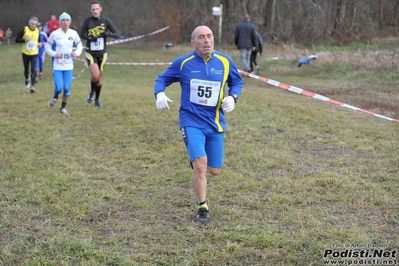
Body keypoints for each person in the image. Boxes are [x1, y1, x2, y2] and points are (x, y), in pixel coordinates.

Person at [154, 25, 243, 223]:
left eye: (209, 36)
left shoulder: (224, 61)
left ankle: (197, 161)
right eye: (201, 37)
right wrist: (160, 93)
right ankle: (202, 206)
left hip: (215, 122)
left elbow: (237, 82)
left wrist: (233, 97)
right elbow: (162, 79)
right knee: (201, 167)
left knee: (214, 170)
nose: (206, 41)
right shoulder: (183, 63)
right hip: (190, 119)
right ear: (193, 42)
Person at [80, 1, 120, 108]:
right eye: (93, 9)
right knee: (95, 75)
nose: (95, 11)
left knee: (99, 78)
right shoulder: (87, 21)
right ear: (91, 10)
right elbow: (81, 34)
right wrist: (90, 38)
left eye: (97, 9)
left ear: (100, 9)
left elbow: (117, 34)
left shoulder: (106, 21)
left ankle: (96, 99)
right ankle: (92, 92)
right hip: (91, 53)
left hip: (102, 53)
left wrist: (108, 33)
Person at [45, 12, 82, 115]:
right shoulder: (55, 34)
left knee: (66, 88)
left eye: (67, 20)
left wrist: (76, 53)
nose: (65, 22)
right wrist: (54, 54)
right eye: (63, 20)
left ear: (70, 22)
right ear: (60, 22)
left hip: (69, 66)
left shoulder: (73, 33)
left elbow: (79, 45)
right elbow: (47, 46)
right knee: (59, 88)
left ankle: (62, 108)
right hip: (58, 66)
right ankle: (55, 97)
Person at [15, 16, 41, 93]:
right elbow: (16, 39)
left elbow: (39, 40)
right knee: (26, 69)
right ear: (29, 23)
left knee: (33, 68)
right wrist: (24, 40)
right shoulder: (25, 29)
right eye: (32, 24)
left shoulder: (37, 31)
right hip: (25, 53)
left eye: (35, 24)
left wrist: (40, 43)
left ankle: (32, 86)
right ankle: (27, 79)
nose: (33, 26)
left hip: (34, 53)